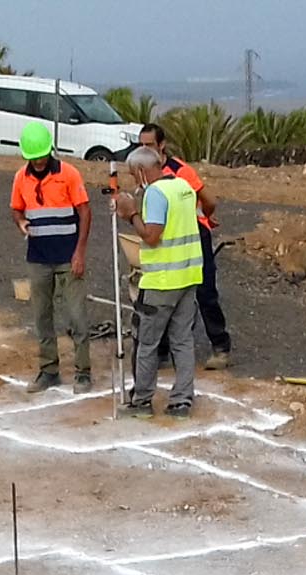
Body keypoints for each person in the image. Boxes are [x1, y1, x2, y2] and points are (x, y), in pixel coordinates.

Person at [117, 146, 202, 419]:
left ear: (142, 170)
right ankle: (181, 400)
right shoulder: (183, 186)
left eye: (133, 174)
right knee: (182, 340)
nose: (134, 180)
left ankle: (141, 400)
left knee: (147, 342)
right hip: (188, 276)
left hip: (161, 281)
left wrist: (131, 214)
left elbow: (152, 236)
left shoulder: (156, 192)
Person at [9, 120, 93, 394]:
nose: (39, 161)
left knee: (77, 316)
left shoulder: (69, 174)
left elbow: (84, 212)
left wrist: (79, 252)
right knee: (42, 316)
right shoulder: (21, 177)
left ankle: (83, 372)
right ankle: (49, 370)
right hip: (38, 258)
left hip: (68, 258)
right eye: (34, 157)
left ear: (50, 151)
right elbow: (16, 210)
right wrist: (20, 222)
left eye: (42, 155)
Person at [140, 121, 231, 368]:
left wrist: (204, 217)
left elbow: (208, 200)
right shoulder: (143, 172)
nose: (145, 151)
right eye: (142, 146)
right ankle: (161, 349)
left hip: (191, 235)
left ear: (162, 145)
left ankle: (220, 345)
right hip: (165, 238)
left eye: (149, 145)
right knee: (163, 290)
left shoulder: (181, 170)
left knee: (204, 291)